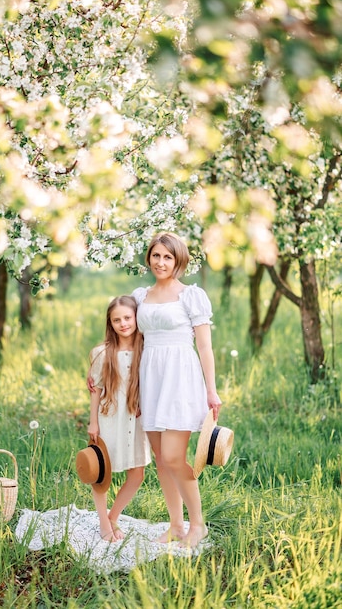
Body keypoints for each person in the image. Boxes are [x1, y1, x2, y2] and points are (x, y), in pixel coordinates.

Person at [131, 232, 222, 549]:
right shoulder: (140, 295)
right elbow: (133, 340)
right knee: (160, 458)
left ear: (178, 260)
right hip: (150, 377)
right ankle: (175, 525)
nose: (160, 262)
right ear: (149, 258)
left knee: (173, 456)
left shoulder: (190, 296)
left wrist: (212, 391)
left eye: (167, 257)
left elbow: (205, 346)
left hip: (180, 376)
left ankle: (198, 525)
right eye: (156, 256)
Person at [86, 295, 151, 542]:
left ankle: (113, 517)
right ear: (110, 323)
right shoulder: (102, 353)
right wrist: (93, 422)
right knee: (102, 472)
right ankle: (104, 523)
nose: (123, 324)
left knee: (137, 474)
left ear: (137, 318)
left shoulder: (147, 350)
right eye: (116, 320)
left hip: (135, 419)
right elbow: (96, 390)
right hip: (109, 419)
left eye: (127, 317)